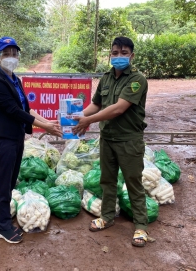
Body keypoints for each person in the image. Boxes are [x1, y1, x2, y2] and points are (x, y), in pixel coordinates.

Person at [72, 36, 149, 247]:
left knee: (134, 182)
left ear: (132, 56)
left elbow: (118, 108)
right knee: (107, 180)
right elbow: (96, 105)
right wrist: (76, 116)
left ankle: (141, 225)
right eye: (115, 53)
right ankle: (106, 217)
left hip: (129, 140)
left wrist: (87, 120)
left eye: (124, 53)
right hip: (107, 138)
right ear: (110, 56)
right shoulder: (105, 79)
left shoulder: (137, 79)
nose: (119, 57)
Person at [0, 36, 62, 244]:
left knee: (11, 182)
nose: (11, 57)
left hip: (16, 138)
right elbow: (13, 111)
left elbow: (25, 109)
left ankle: (4, 219)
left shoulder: (14, 79)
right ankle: (2, 227)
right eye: (6, 54)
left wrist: (48, 121)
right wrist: (45, 127)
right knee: (3, 184)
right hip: (4, 140)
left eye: (14, 53)